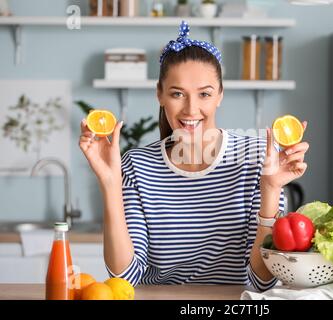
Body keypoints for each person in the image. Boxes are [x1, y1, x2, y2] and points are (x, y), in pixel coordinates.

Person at [79, 21, 309, 292]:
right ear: (160, 95)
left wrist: (270, 189)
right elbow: (125, 278)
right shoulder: (136, 166)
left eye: (204, 94)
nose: (191, 109)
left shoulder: (258, 160)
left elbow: (261, 280)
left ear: (220, 95)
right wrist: (110, 184)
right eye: (177, 94)